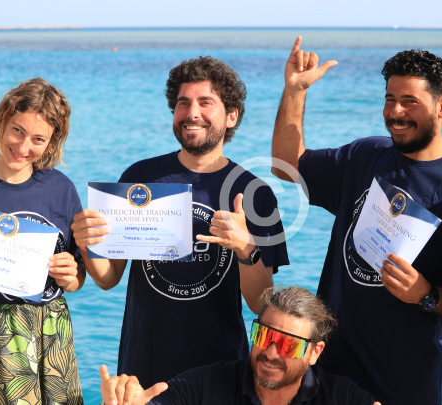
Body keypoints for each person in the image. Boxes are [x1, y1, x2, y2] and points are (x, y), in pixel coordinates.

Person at [271, 37, 442, 404]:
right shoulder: (366, 155)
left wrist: (428, 295)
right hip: (325, 379)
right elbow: (286, 164)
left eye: (410, 101)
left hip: (401, 387)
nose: (395, 112)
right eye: (390, 99)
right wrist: (295, 91)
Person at [72, 56, 289, 389]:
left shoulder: (255, 193)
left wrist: (245, 247)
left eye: (206, 102)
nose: (192, 113)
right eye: (183, 103)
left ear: (232, 116)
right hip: (143, 369)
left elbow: (260, 303)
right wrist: (89, 244)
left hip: (220, 374)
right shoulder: (140, 176)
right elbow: (108, 278)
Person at [99, 286, 380, 405]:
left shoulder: (342, 398)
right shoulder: (205, 386)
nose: (270, 353)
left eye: (287, 345)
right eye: (264, 336)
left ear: (314, 353)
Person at [0, 78, 86, 404]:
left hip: (52, 327)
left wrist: (70, 277)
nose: (23, 147)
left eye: (37, 139)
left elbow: (77, 276)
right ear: (1, 120)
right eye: (17, 130)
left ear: (51, 143)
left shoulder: (60, 189)